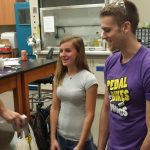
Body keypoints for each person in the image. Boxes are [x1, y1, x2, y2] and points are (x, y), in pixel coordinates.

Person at [98, 0, 150, 149]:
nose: (103, 36)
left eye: (107, 30)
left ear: (125, 27)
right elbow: (107, 108)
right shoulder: (111, 62)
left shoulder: (147, 64)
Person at [50, 36, 98, 150]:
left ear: (79, 53)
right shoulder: (59, 77)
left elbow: (89, 114)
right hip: (61, 137)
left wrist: (80, 144)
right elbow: (55, 108)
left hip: (80, 142)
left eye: (67, 50)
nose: (63, 54)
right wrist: (53, 137)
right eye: (61, 51)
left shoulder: (89, 79)